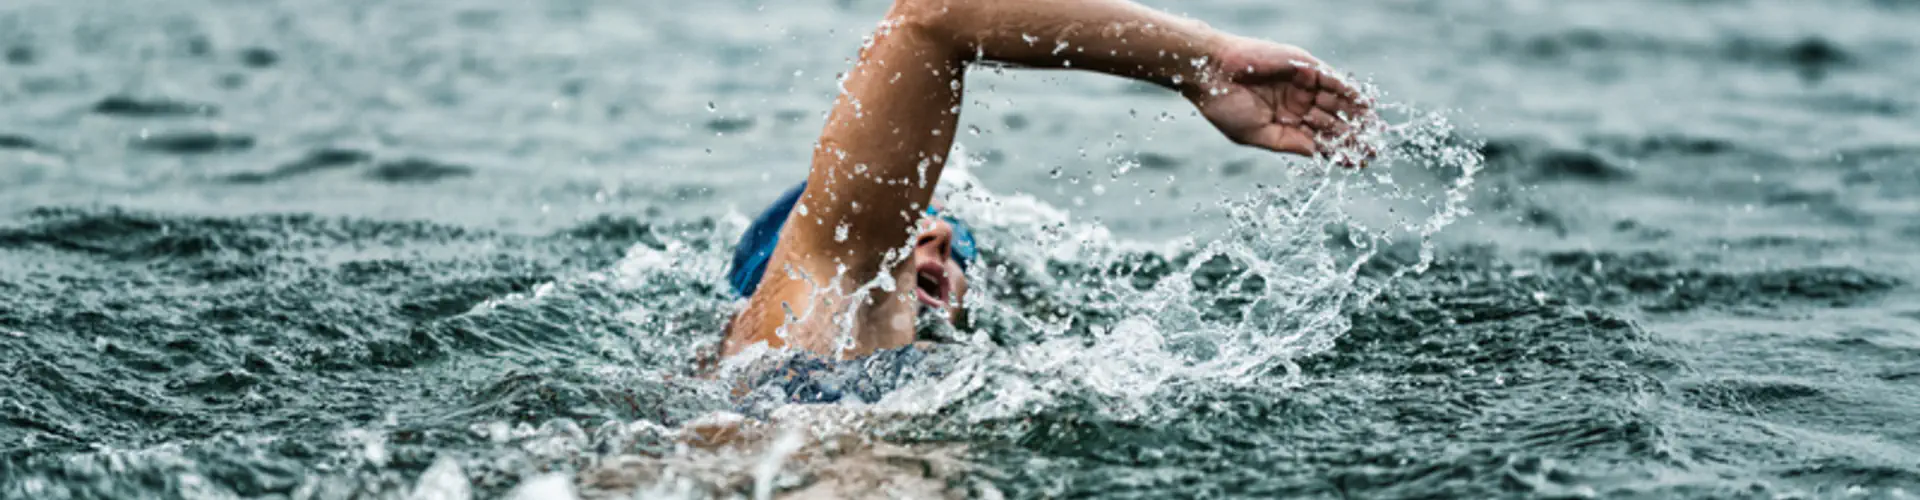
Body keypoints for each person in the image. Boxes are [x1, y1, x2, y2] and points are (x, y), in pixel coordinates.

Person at [719, 0, 1373, 362]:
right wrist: (1200, 62)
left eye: (956, 238)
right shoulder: (813, 306)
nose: (940, 231)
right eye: (901, 225)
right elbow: (935, 16)